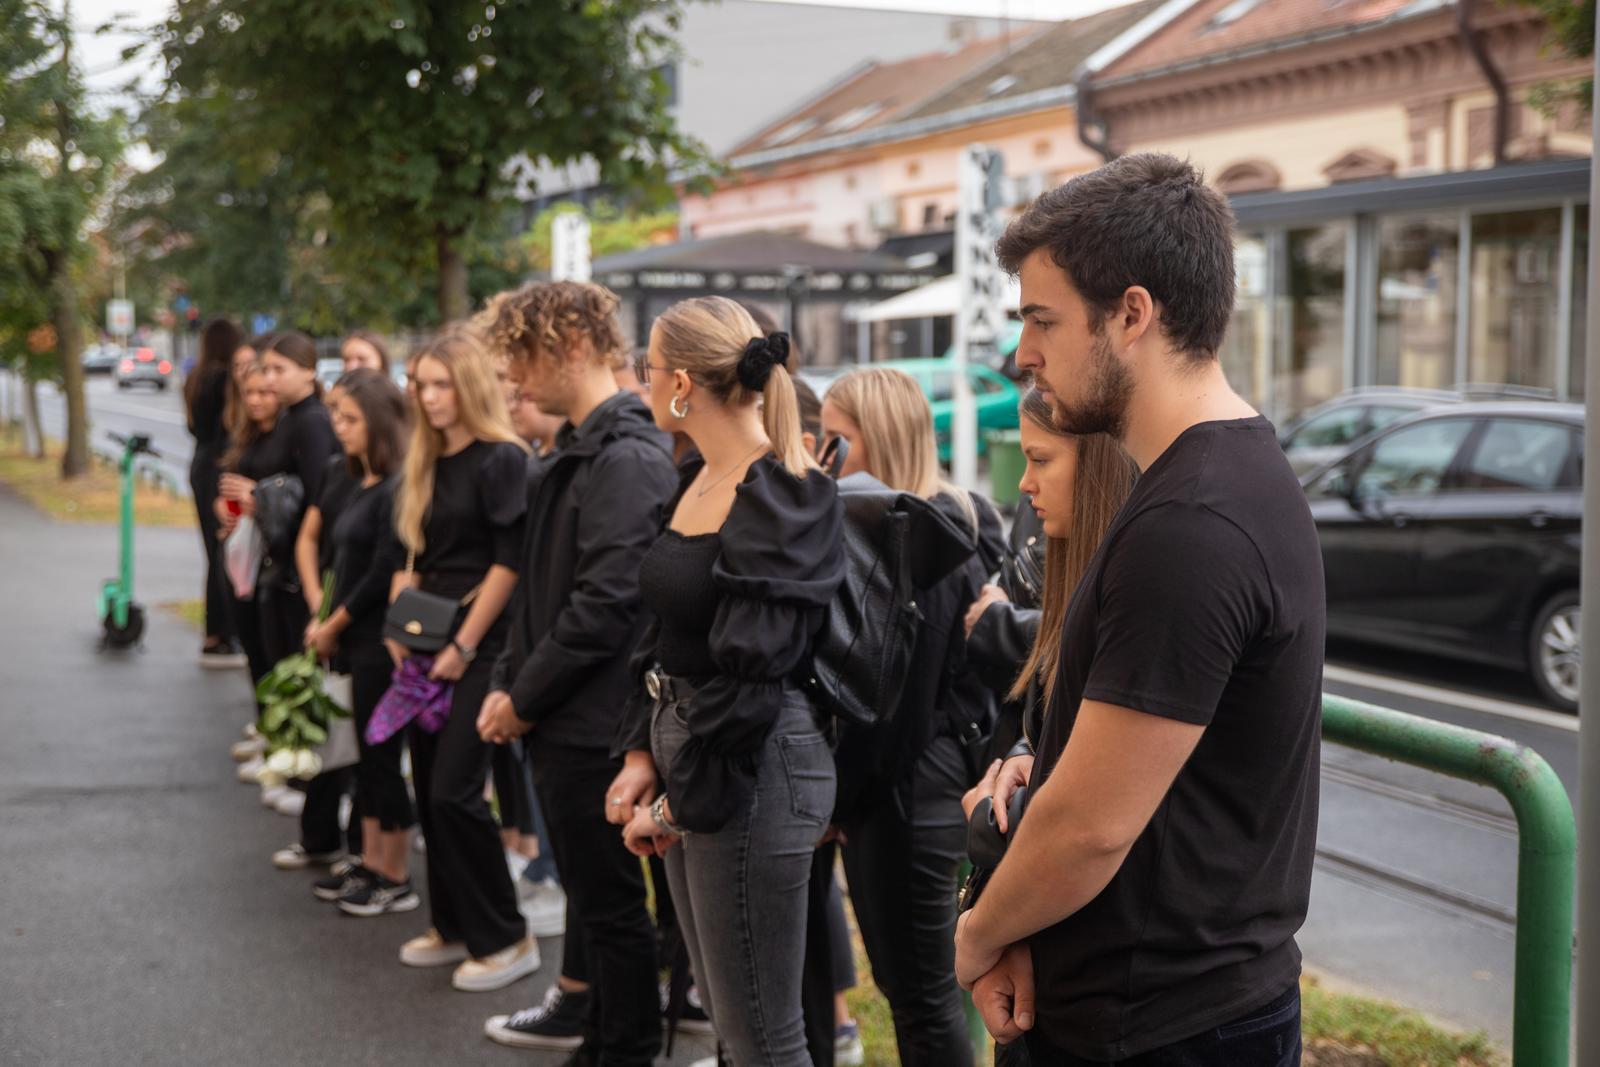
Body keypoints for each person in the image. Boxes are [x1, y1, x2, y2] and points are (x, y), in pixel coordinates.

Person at [953, 153, 1324, 1066]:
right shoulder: (1220, 480)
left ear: (1130, 314)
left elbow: (1090, 831)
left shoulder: (1191, 522)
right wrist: (1038, 756)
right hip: (1171, 1006)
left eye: (1042, 319)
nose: (1023, 355)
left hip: (1159, 1026)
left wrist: (978, 934)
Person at [610, 296, 845, 1065]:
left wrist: (681, 804)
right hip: (697, 743)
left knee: (762, 1032)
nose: (637, 381)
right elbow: (669, 635)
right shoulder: (701, 474)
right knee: (729, 1016)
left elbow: (754, 672)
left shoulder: (782, 488)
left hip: (751, 759)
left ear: (679, 382)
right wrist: (643, 754)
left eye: (644, 367)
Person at [475, 281, 676, 1063]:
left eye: (522, 355)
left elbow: (605, 606)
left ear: (570, 344)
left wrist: (520, 698)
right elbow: (541, 589)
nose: (515, 378)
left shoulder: (623, 454)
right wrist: (509, 680)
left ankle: (623, 1049)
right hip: (568, 715)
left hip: (593, 722)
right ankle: (605, 1041)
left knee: (613, 911)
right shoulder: (582, 447)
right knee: (597, 908)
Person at [820, 367, 1002, 1067]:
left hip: (909, 795)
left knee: (922, 996)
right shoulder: (948, 519)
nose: (823, 458)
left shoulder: (925, 536)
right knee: (914, 992)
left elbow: (899, 709)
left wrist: (839, 795)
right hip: (913, 787)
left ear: (878, 439)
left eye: (835, 440)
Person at [959, 388, 1137, 1067]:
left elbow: (1082, 816)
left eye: (1039, 459)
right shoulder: (1065, 562)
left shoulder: (1125, 593)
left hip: (1093, 974)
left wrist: (978, 929)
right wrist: (1023, 754)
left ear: (1095, 468)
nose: (1022, 483)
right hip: (1051, 959)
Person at [389, 327, 540, 992]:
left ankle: (506, 935)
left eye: (440, 383)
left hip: (483, 642)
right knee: (428, 787)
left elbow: (509, 563)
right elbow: (417, 556)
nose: (427, 397)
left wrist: (463, 645)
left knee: (456, 788)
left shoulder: (501, 458)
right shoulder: (428, 458)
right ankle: (453, 924)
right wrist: (402, 628)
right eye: (420, 384)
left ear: (470, 385)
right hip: (426, 641)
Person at [300, 369, 418, 915]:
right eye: (335, 417)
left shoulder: (395, 488)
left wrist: (335, 624)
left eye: (349, 418)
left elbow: (379, 573)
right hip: (351, 641)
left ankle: (394, 871)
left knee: (380, 758)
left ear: (377, 421)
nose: (339, 428)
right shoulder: (359, 482)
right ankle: (371, 860)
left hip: (375, 643)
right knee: (365, 759)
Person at [247, 332, 349, 862]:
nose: (269, 380)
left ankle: (318, 814)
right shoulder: (292, 419)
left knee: (307, 688)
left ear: (310, 371)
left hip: (300, 579)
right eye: (266, 370)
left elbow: (315, 504)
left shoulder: (310, 422)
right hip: (292, 571)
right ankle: (304, 792)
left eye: (279, 369)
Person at [185, 316, 247, 669]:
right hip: (220, 466)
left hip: (199, 463)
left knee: (213, 551)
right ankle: (224, 632)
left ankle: (215, 631)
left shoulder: (196, 377)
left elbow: (192, 427)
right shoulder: (226, 380)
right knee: (224, 550)